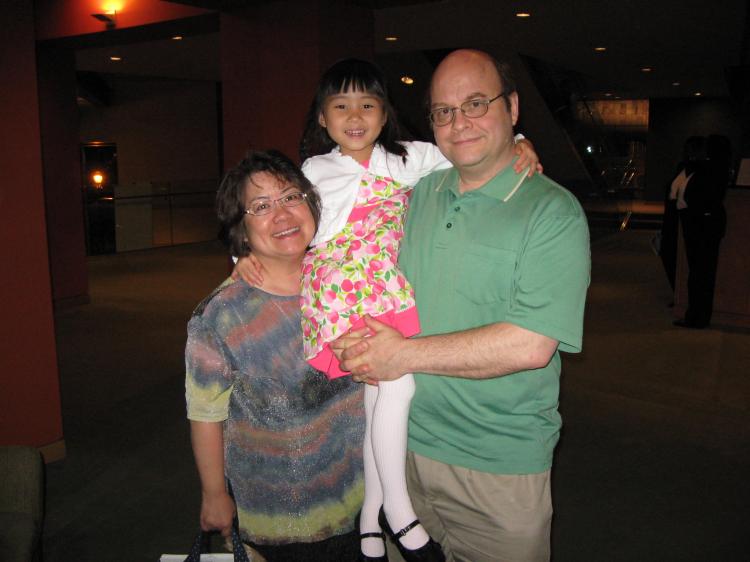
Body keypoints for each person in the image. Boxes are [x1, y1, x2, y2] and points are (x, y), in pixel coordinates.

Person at [233, 58, 542, 562]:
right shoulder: (313, 170)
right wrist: (242, 255)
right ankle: (400, 512)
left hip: (387, 292)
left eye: (368, 105)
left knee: (379, 400)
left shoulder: (407, 157)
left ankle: (371, 518)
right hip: (341, 293)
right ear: (322, 119)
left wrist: (520, 141)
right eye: (341, 106)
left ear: (384, 113)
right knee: (399, 382)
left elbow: (468, 153)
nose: (355, 116)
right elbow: (277, 214)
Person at [333, 49, 590, 562]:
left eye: (476, 103)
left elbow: (531, 344)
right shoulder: (416, 190)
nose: (460, 122)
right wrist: (249, 261)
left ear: (512, 108)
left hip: (496, 470)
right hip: (398, 454)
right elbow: (340, 238)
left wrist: (400, 355)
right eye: (444, 111)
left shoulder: (551, 212)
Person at [185, 150, 366, 562]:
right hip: (283, 520)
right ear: (242, 229)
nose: (282, 214)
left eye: (290, 197)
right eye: (261, 207)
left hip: (363, 500)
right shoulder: (221, 315)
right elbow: (205, 416)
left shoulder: (347, 282)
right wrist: (214, 494)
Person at [673, 134, 730, 328]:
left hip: (705, 227)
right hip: (696, 226)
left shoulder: (712, 170)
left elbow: (707, 198)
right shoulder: (696, 169)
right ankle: (696, 315)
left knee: (702, 274)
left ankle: (698, 317)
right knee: (698, 273)